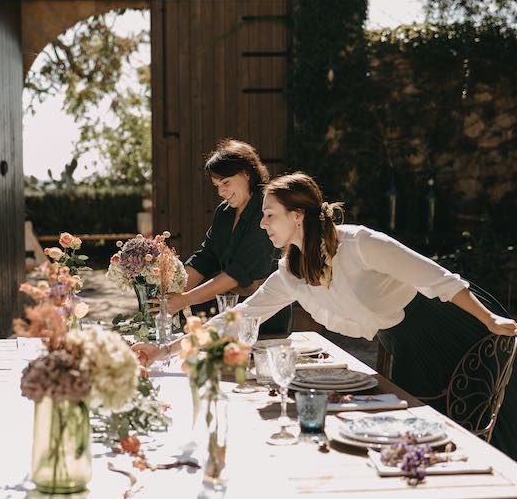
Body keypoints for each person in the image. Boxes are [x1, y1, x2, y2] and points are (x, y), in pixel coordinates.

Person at [136, 171, 517, 457]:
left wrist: (490, 320)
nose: (263, 223)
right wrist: (164, 351)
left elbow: (439, 279)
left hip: (452, 327)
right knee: (419, 440)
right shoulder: (290, 272)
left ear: (297, 216)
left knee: (468, 433)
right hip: (405, 343)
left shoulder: (360, 243)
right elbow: (238, 318)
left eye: (269, 215)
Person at [161, 139, 291, 335]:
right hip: (229, 313)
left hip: (266, 316)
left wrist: (184, 300)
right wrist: (170, 293)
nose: (221, 192)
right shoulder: (224, 212)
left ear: (246, 174)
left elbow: (238, 273)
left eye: (226, 182)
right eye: (216, 185)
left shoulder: (265, 210)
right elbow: (206, 257)